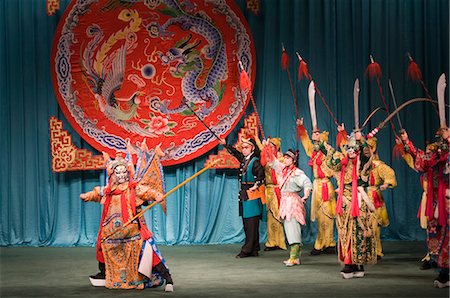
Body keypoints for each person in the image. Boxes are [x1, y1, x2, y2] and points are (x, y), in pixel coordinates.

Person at [80, 148, 174, 291]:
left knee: (149, 251)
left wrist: (157, 196)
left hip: (132, 231)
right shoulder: (109, 191)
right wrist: (87, 196)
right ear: (113, 174)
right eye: (118, 172)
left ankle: (168, 279)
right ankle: (104, 273)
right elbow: (97, 193)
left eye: (124, 172)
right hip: (113, 233)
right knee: (102, 246)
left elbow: (147, 191)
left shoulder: (133, 189)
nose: (122, 175)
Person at [398, 128, 449, 288]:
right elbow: (422, 159)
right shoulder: (436, 156)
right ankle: (444, 272)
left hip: (445, 197)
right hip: (437, 201)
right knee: (437, 232)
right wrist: (407, 142)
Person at [327, 130, 377, 278]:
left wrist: (361, 140)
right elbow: (331, 163)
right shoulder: (343, 163)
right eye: (348, 149)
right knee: (345, 233)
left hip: (359, 201)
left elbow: (368, 154)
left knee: (359, 232)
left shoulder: (362, 165)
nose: (350, 151)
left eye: (353, 149)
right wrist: (323, 147)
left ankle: (357, 264)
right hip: (344, 202)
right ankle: (349, 263)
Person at [297, 118, 337, 255]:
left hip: (327, 185)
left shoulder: (329, 151)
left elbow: (331, 154)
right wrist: (302, 128)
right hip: (318, 185)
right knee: (320, 216)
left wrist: (319, 140)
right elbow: (307, 143)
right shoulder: (313, 152)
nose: (316, 137)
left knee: (329, 215)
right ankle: (321, 243)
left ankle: (329, 243)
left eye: (319, 134)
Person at [221, 137, 265, 258]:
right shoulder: (245, 159)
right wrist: (226, 145)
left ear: (252, 148)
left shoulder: (255, 161)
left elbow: (261, 176)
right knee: (248, 221)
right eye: (243, 148)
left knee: (251, 222)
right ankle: (254, 248)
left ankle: (247, 249)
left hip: (252, 193)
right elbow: (236, 153)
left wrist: (256, 185)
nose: (244, 150)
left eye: (246, 147)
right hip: (245, 192)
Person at [268, 148, 312, 266]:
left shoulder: (297, 173)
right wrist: (267, 149)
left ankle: (294, 257)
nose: (285, 159)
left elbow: (307, 183)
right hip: (284, 201)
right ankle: (294, 256)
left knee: (292, 227)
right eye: (285, 158)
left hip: (292, 202)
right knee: (288, 227)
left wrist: (305, 196)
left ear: (293, 160)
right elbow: (273, 162)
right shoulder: (283, 170)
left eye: (288, 158)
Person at [362, 137, 397, 260]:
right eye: (364, 148)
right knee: (362, 224)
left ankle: (376, 250)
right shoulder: (360, 164)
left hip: (373, 195)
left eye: (369, 148)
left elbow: (389, 173)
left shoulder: (378, 165)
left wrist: (386, 184)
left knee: (374, 225)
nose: (366, 151)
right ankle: (362, 250)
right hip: (362, 195)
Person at [257, 136, 287, 251]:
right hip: (268, 189)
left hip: (278, 189)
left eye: (272, 146)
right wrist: (258, 140)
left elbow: (276, 165)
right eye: (269, 146)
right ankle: (271, 242)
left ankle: (280, 241)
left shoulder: (281, 159)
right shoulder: (267, 157)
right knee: (270, 215)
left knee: (278, 214)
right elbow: (263, 152)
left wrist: (268, 152)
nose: (270, 148)